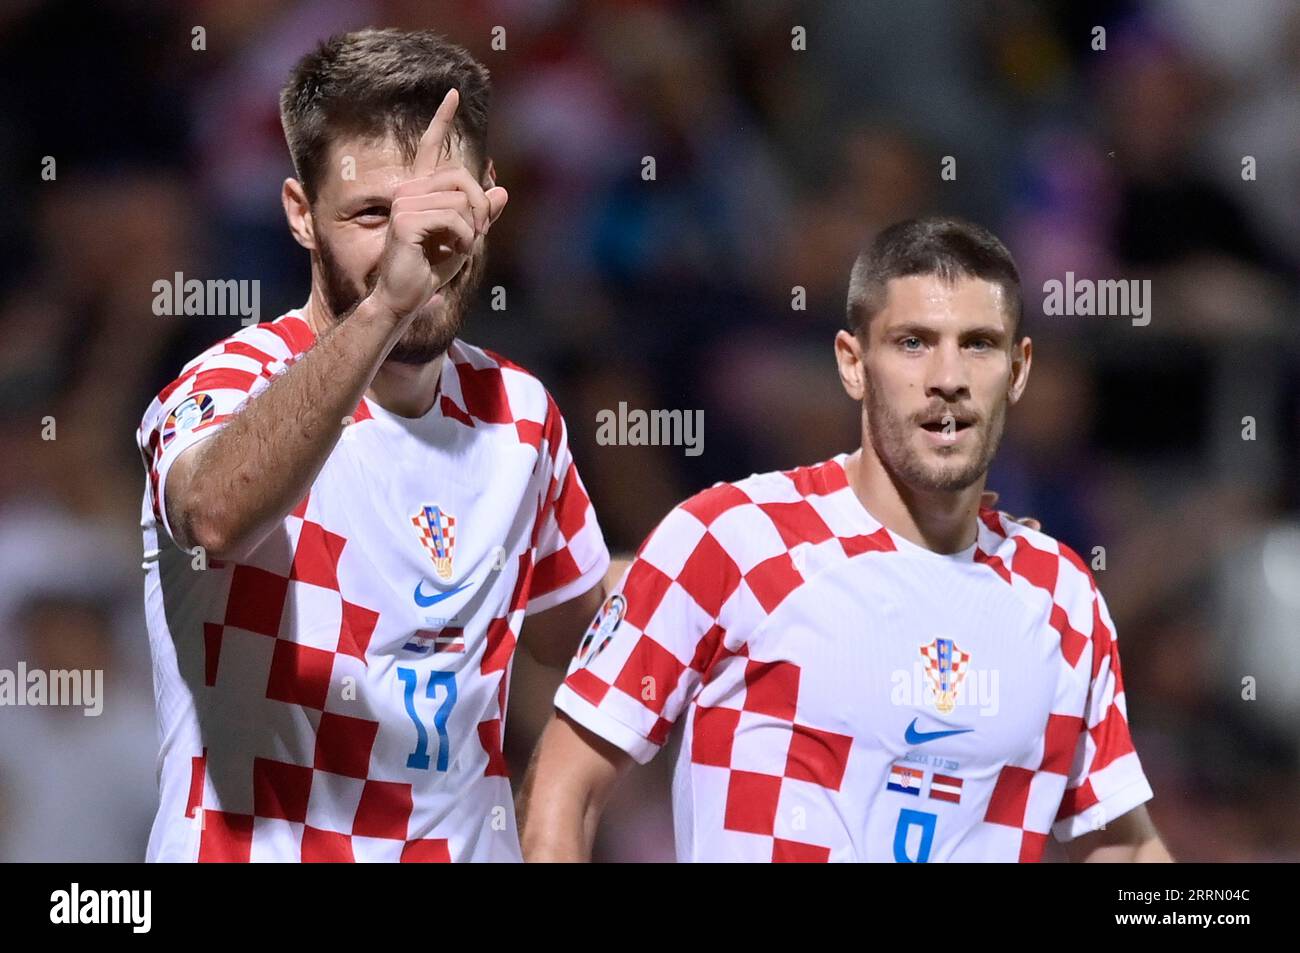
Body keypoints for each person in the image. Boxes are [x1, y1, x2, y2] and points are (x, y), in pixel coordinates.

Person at [518, 217, 1172, 863]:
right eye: (914, 342)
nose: (948, 376)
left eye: (978, 343)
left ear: (1019, 369)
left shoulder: (1061, 598)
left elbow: (1120, 845)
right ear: (853, 363)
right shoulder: (733, 539)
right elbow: (563, 790)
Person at [136, 29, 611, 862]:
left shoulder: (521, 413)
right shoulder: (230, 380)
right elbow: (213, 515)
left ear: (488, 198)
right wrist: (385, 307)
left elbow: (573, 627)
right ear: (299, 215)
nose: (413, 249)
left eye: (437, 212)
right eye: (372, 215)